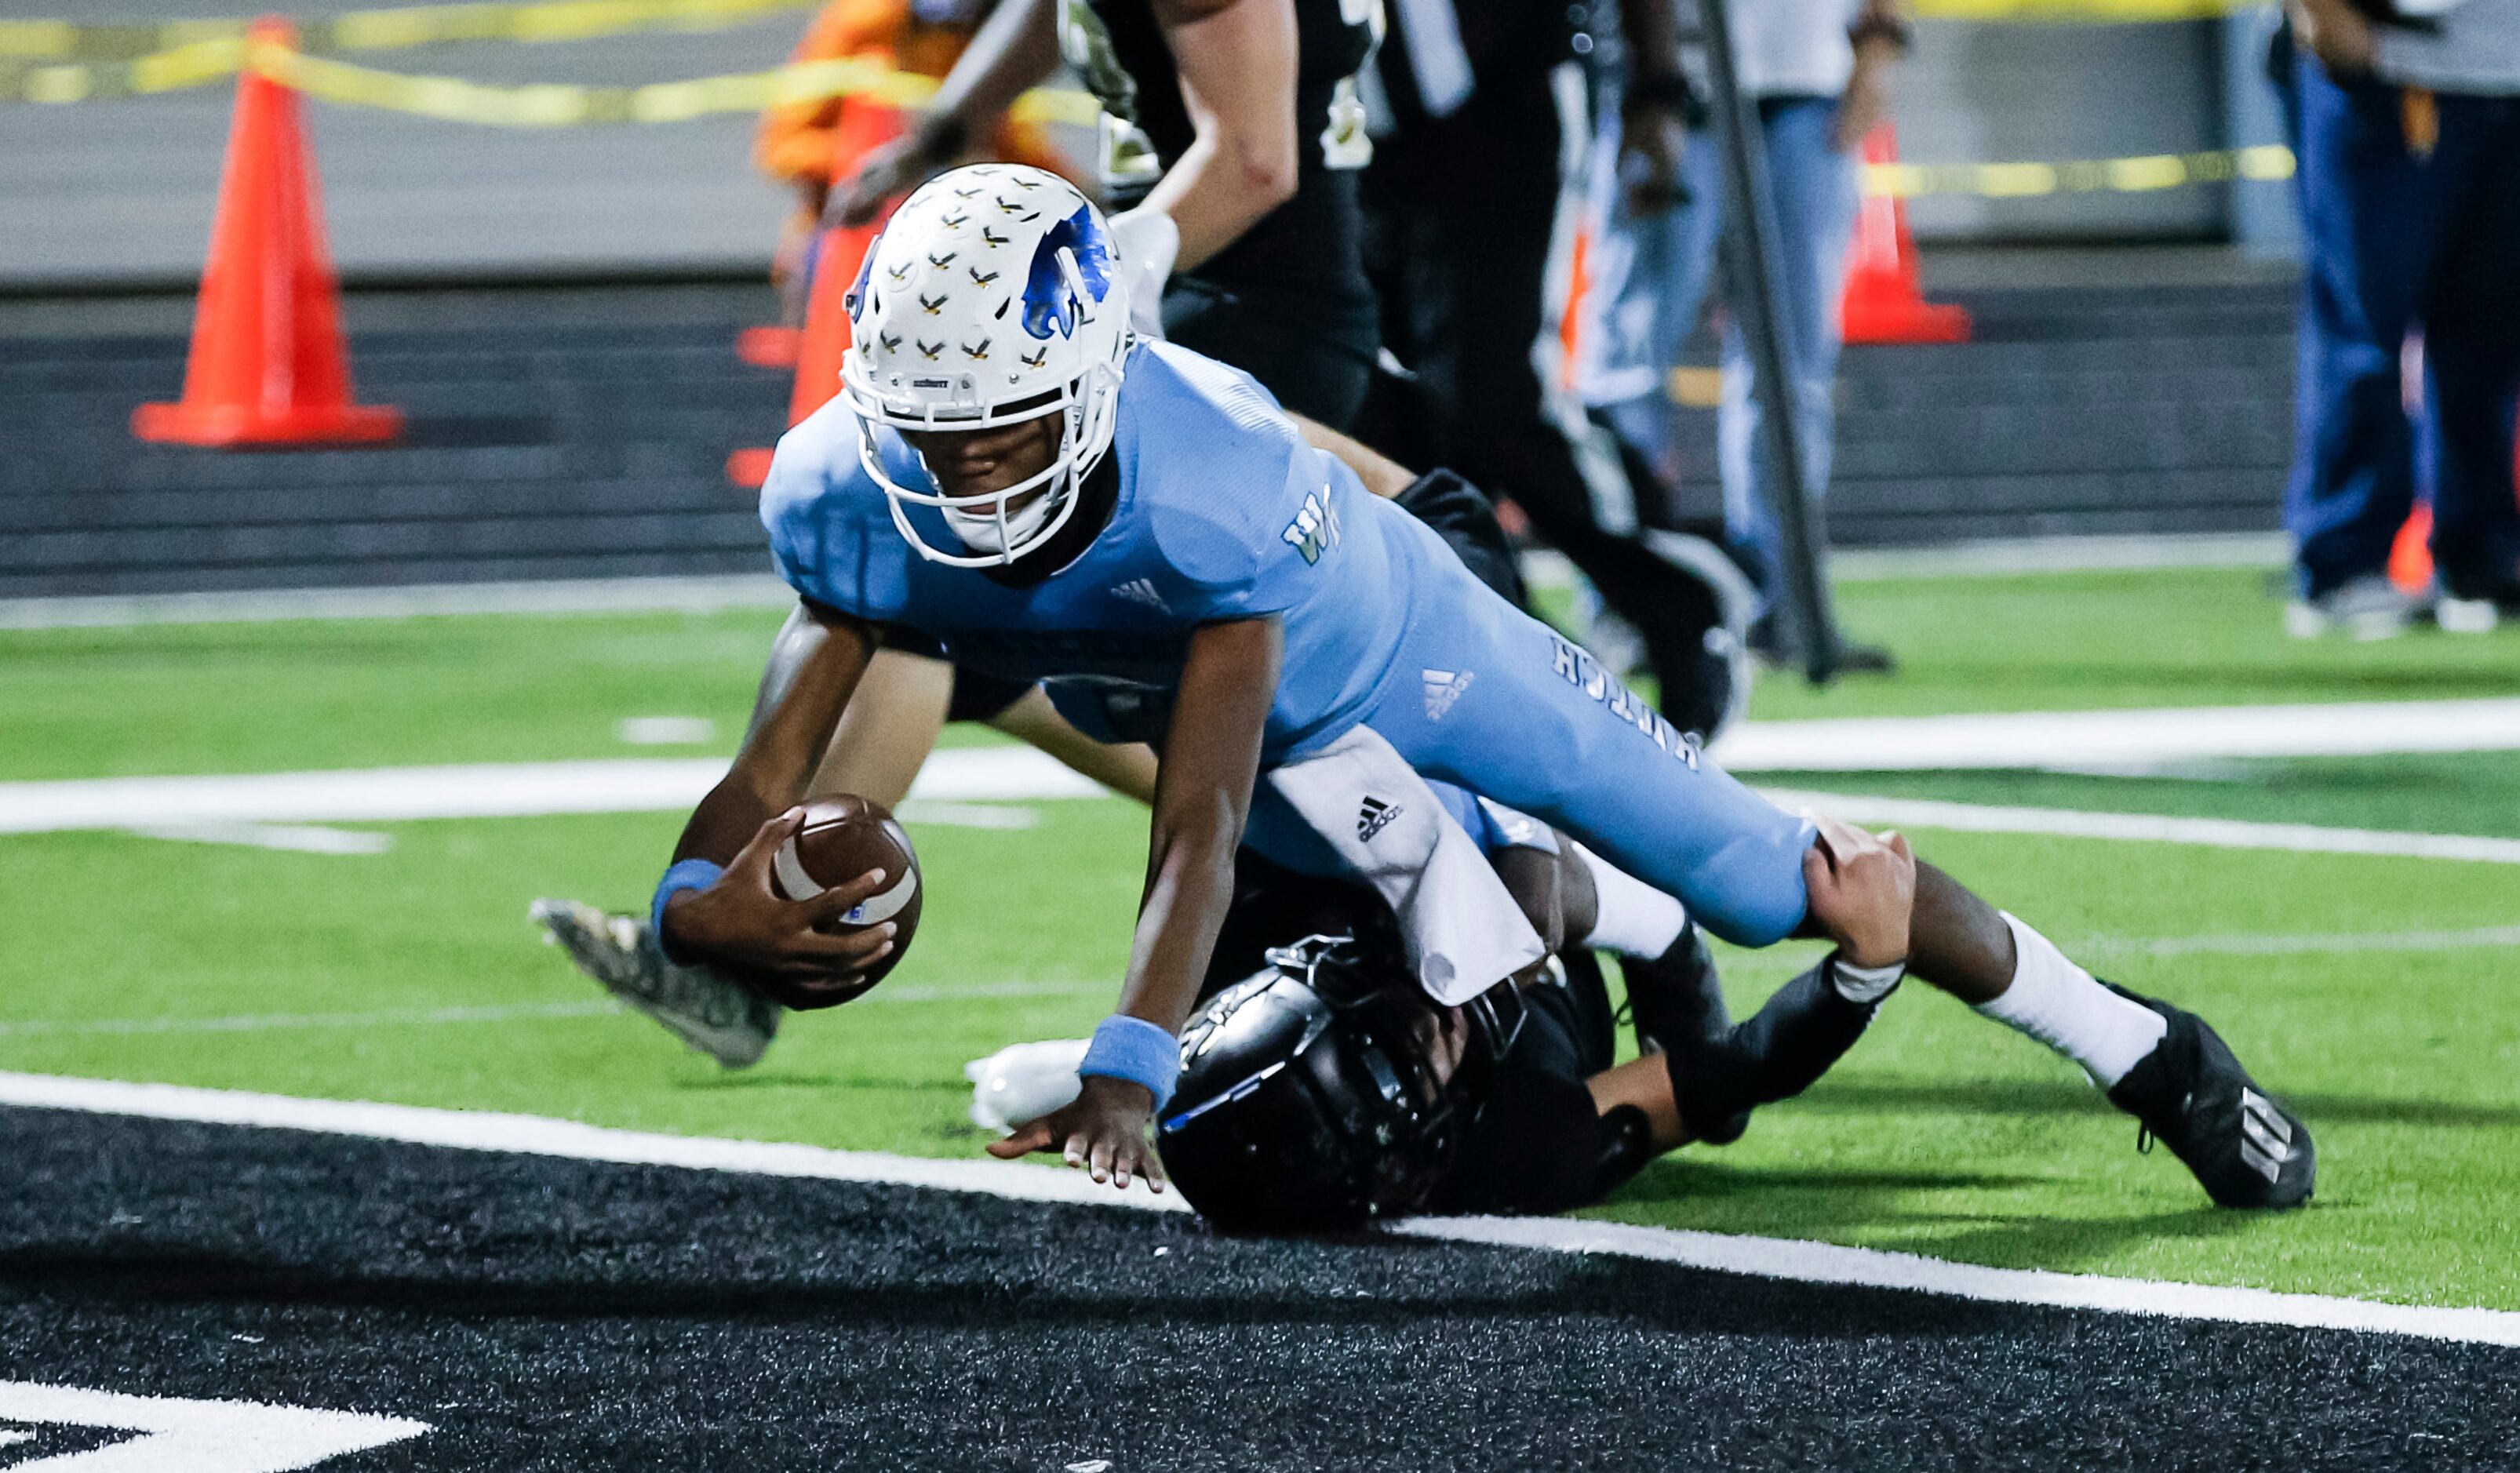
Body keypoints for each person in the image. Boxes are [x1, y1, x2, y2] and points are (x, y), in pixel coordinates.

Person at [650, 165, 2314, 1211]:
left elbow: (1204, 815)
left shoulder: (1212, 471)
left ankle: (2144, 1047)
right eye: (924, 434)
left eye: (996, 425)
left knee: (1756, 875)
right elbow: (769, 755)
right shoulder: (837, 490)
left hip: (1386, 660)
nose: (957, 469)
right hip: (1158, 679)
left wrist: (1125, 1063)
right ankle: (1596, 918)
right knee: (1394, 983)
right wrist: (695, 903)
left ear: (1090, 379)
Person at [1146, 812, 1910, 1229]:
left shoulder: (1252, 923)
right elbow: (1730, 1070)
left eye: (1357, 1017)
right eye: (1401, 1065)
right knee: (1724, 1117)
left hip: (1407, 846)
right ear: (1412, 1150)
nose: (1423, 1025)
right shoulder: (1510, 1150)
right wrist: (1864, 969)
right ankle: (1654, 918)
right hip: (1573, 961)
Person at [1360, 0, 1758, 736]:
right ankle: (1523, 651)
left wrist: (1658, 84)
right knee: (1387, 411)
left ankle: (1681, 594)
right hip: (1356, 131)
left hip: (1503, 103)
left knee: (1497, 397)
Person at [1574, 0, 1906, 667]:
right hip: (1674, 89)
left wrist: (1876, 52)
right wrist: (1652, 83)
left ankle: (1780, 602)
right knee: (1632, 364)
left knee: (1792, 371)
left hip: (1811, 90)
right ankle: (1621, 602)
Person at [2278, 0, 2520, 638]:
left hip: (2508, 71)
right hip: (2392, 64)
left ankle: (2482, 556)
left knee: (2492, 335)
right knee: (2365, 329)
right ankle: (2343, 561)